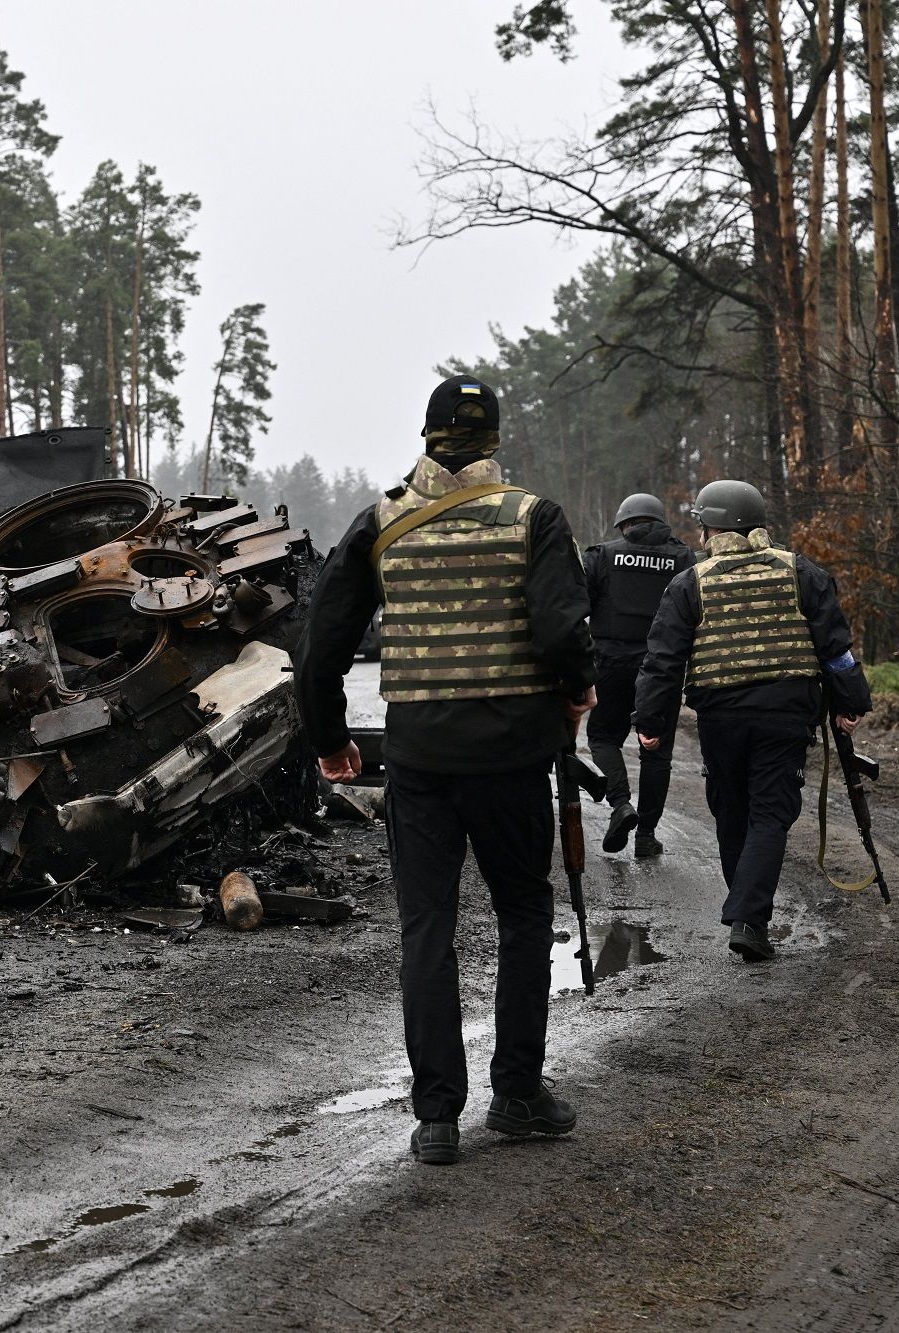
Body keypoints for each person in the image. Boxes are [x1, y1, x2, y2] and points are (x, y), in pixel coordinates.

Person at [295, 373, 596, 1168]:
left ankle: (437, 1118)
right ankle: (519, 1094)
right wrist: (577, 696)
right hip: (511, 759)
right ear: (494, 438)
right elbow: (564, 632)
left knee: (427, 928)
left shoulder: (381, 520)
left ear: (429, 437)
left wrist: (330, 741)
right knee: (524, 917)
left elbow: (321, 647)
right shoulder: (534, 517)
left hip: (420, 762)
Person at [633, 479, 871, 962]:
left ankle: (748, 916)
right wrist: (850, 703)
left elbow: (662, 661)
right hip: (785, 713)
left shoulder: (689, 584)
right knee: (770, 813)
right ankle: (748, 917)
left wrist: (651, 720)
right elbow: (836, 651)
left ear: (710, 529)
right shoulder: (800, 572)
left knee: (732, 809)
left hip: (721, 717)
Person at [583, 494, 695, 857]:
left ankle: (620, 805)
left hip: (610, 663)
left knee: (602, 737)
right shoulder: (683, 558)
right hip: (662, 668)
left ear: (624, 524)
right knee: (656, 752)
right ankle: (646, 836)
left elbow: (576, 604)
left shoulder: (602, 555)